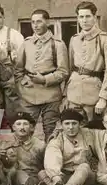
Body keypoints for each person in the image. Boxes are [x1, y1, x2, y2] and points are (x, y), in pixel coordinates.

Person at [15, 9, 69, 142]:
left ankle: (49, 160)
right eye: (33, 22)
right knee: (24, 130)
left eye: (39, 21)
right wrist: (21, 85)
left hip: (50, 96)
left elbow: (63, 72)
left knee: (50, 132)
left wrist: (45, 79)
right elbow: (18, 69)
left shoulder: (57, 44)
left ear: (48, 22)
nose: (35, 25)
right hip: (28, 95)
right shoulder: (26, 43)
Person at [64, 1, 107, 121]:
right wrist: (66, 95)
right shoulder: (74, 39)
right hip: (73, 94)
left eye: (87, 16)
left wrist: (103, 98)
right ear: (78, 19)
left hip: (94, 94)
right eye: (81, 17)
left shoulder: (106, 39)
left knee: (95, 132)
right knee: (74, 129)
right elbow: (70, 68)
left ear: (95, 18)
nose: (84, 20)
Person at [39, 109, 97, 185]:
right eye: (67, 124)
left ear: (80, 124)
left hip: (85, 180)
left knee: (84, 166)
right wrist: (57, 178)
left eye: (74, 123)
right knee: (42, 173)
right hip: (64, 177)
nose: (70, 127)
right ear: (61, 125)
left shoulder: (88, 135)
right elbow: (52, 159)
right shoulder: (57, 140)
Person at [0, 3, 25, 118]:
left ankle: (13, 129)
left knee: (12, 107)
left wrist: (15, 58)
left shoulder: (14, 34)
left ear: (3, 17)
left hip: (10, 78)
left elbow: (23, 57)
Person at [7, 112, 48, 185]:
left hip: (34, 177)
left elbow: (45, 164)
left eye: (25, 124)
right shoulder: (7, 143)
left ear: (32, 127)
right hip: (14, 180)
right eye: (18, 124)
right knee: (18, 172)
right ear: (13, 127)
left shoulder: (40, 145)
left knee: (42, 174)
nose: (22, 127)